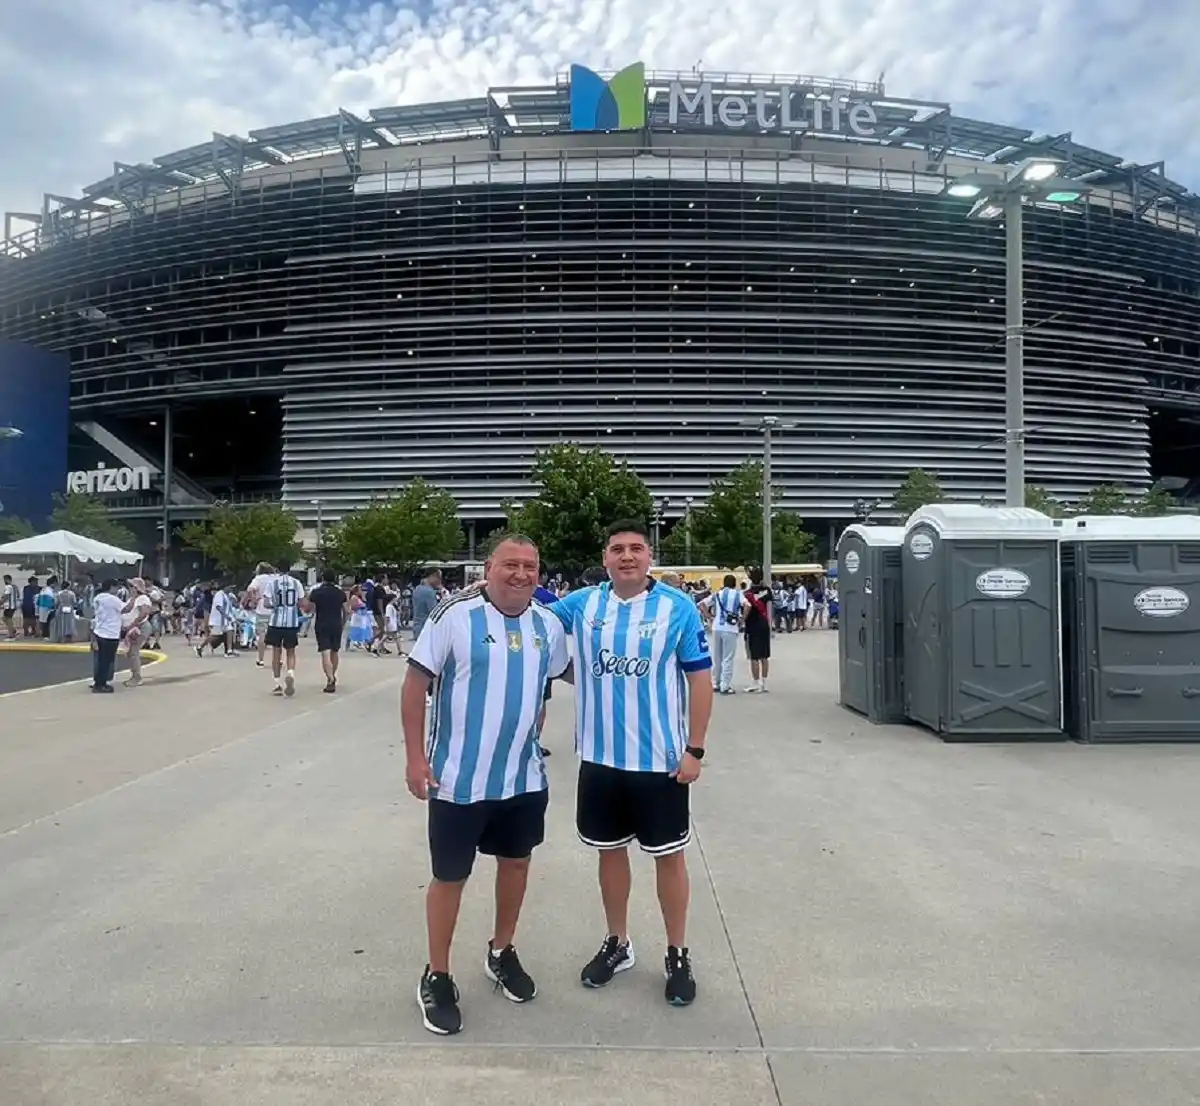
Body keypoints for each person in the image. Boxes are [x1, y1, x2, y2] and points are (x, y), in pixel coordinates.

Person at [401, 535, 570, 1036]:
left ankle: (501, 951)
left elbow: (551, 680)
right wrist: (415, 760)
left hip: (522, 777)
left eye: (530, 566)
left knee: (516, 864)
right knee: (450, 876)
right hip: (457, 778)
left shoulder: (548, 624)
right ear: (489, 567)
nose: (521, 574)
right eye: (510, 565)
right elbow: (414, 687)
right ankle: (438, 974)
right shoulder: (454, 614)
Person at [549, 520, 713, 1007]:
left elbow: (699, 681)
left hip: (659, 762)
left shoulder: (677, 608)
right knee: (609, 852)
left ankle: (677, 951)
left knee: (669, 857)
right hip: (600, 761)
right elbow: (527, 618)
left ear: (649, 557)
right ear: (604, 559)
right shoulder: (582, 605)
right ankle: (618, 942)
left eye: (636, 548)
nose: (627, 556)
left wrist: (695, 749)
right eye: (617, 549)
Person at [264, 561, 308, 697]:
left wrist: (275, 606)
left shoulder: (272, 583)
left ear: (277, 569)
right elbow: (302, 603)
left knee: (276, 652)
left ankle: (277, 683)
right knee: (291, 651)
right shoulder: (296, 583)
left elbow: (266, 603)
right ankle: (290, 673)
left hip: (276, 622)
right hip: (291, 622)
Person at [701, 574, 742, 694]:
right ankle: (725, 685)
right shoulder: (738, 594)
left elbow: (701, 604)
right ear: (734, 583)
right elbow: (747, 605)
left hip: (717, 627)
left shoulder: (717, 594)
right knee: (728, 657)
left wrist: (709, 617)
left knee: (717, 656)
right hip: (731, 628)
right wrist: (742, 618)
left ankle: (715, 683)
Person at [309, 571, 348, 693]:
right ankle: (333, 675)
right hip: (336, 623)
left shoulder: (316, 592)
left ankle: (330, 678)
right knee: (335, 651)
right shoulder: (340, 593)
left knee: (325, 652)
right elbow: (346, 610)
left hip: (322, 623)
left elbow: (310, 609)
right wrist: (343, 622)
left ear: (322, 578)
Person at [741, 569, 773, 693]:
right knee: (764, 655)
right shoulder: (767, 591)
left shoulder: (747, 594)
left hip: (752, 625)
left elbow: (744, 609)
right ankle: (764, 683)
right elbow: (770, 607)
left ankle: (755, 682)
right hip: (764, 624)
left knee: (754, 656)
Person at [91, 579, 124, 693]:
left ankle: (98, 682)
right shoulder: (113, 599)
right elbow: (125, 609)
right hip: (111, 633)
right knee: (107, 661)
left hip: (100, 631)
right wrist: (134, 598)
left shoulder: (98, 597)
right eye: (116, 587)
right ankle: (101, 684)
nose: (117, 590)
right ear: (111, 587)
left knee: (100, 660)